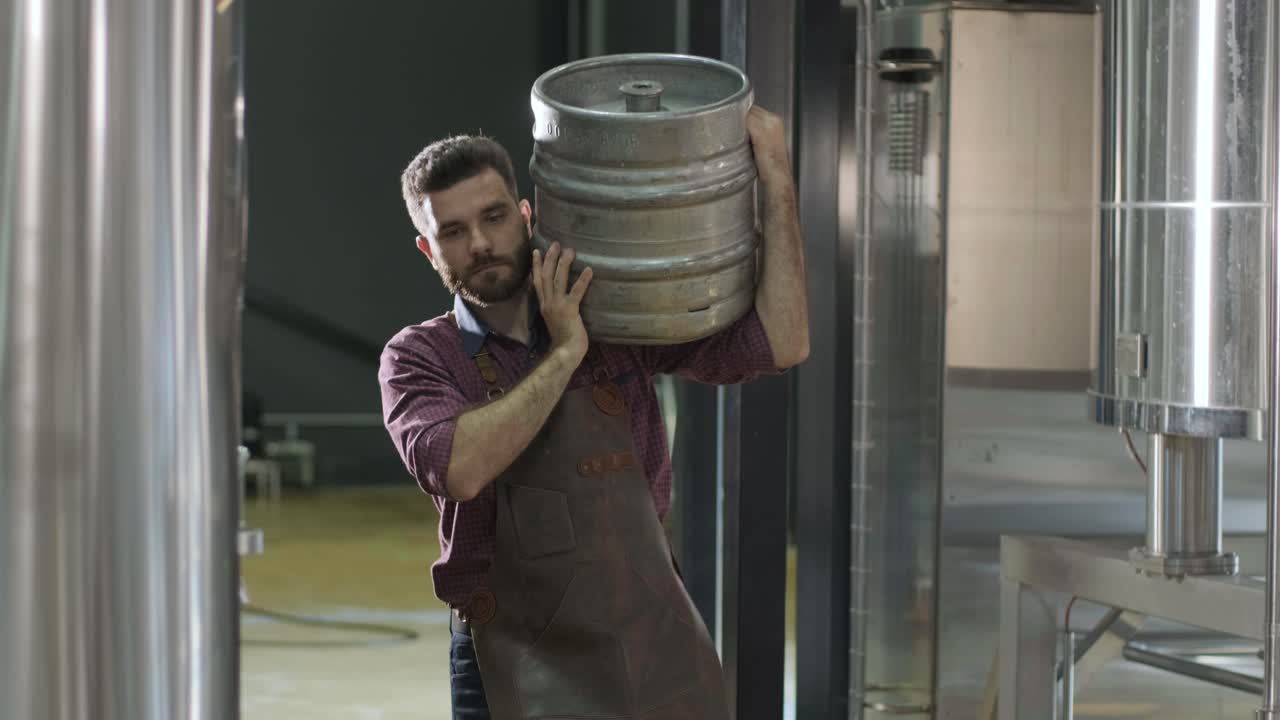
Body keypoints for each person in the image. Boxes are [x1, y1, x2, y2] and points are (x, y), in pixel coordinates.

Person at [378, 105, 809, 720]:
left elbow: (783, 340)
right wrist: (565, 352)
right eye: (452, 231)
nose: (479, 244)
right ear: (428, 249)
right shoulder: (420, 356)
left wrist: (774, 170)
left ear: (526, 215)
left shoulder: (611, 313)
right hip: (510, 659)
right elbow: (459, 467)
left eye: (494, 217)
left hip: (649, 639)